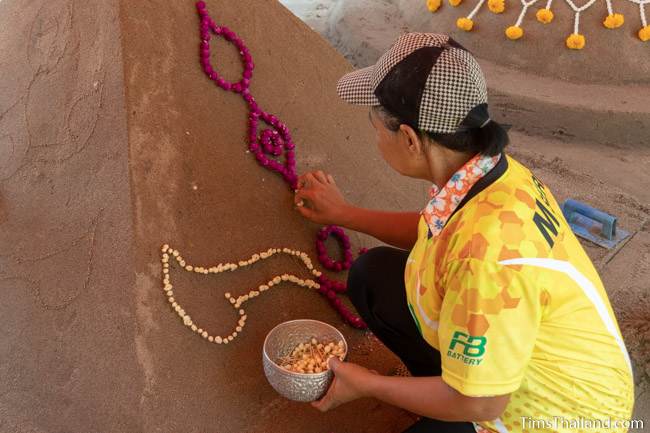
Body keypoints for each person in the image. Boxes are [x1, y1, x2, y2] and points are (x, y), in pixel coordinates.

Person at [293, 33, 634, 433]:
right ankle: (446, 390)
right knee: (375, 276)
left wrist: (366, 385)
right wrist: (344, 213)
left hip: (553, 418)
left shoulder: (483, 260)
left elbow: (483, 400)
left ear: (409, 139)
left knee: (463, 403)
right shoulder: (488, 172)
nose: (376, 139)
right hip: (553, 368)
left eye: (377, 128)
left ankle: (452, 408)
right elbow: (433, 228)